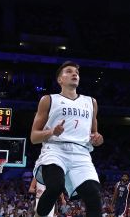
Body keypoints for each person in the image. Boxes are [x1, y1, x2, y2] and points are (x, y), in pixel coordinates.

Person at [30, 61, 104, 217]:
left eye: (76, 72)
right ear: (60, 80)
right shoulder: (48, 100)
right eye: (69, 71)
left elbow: (95, 135)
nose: (74, 74)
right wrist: (52, 132)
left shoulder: (91, 102)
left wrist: (98, 139)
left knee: (94, 195)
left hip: (81, 153)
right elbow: (34, 137)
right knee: (55, 186)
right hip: (55, 150)